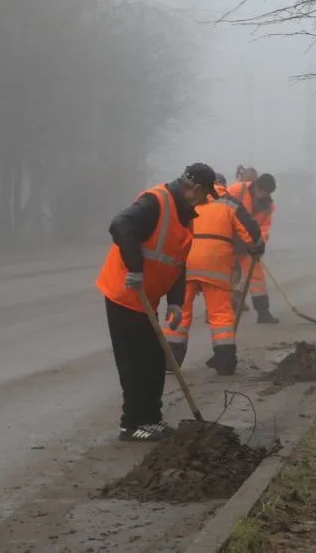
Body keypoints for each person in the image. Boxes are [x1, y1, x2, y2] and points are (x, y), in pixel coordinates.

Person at [96, 163, 218, 442]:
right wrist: (135, 268)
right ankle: (133, 424)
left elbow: (177, 262)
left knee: (154, 360)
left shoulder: (185, 215)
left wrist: (175, 302)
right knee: (136, 363)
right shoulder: (155, 202)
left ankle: (152, 419)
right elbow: (120, 224)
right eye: (205, 194)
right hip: (124, 295)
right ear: (195, 189)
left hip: (146, 300)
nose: (205, 201)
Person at [163, 182, 264, 375]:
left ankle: (171, 359)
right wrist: (257, 246)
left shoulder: (185, 199)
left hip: (185, 260)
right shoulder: (229, 203)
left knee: (180, 309)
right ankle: (225, 361)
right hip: (215, 265)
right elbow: (250, 231)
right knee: (220, 314)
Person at [228, 171, 279, 323]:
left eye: (266, 193)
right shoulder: (237, 190)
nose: (263, 194)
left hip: (249, 244)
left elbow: (264, 227)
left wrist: (260, 243)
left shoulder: (268, 207)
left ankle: (263, 312)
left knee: (257, 277)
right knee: (225, 275)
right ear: (256, 186)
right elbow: (220, 210)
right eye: (261, 190)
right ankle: (222, 309)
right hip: (228, 239)